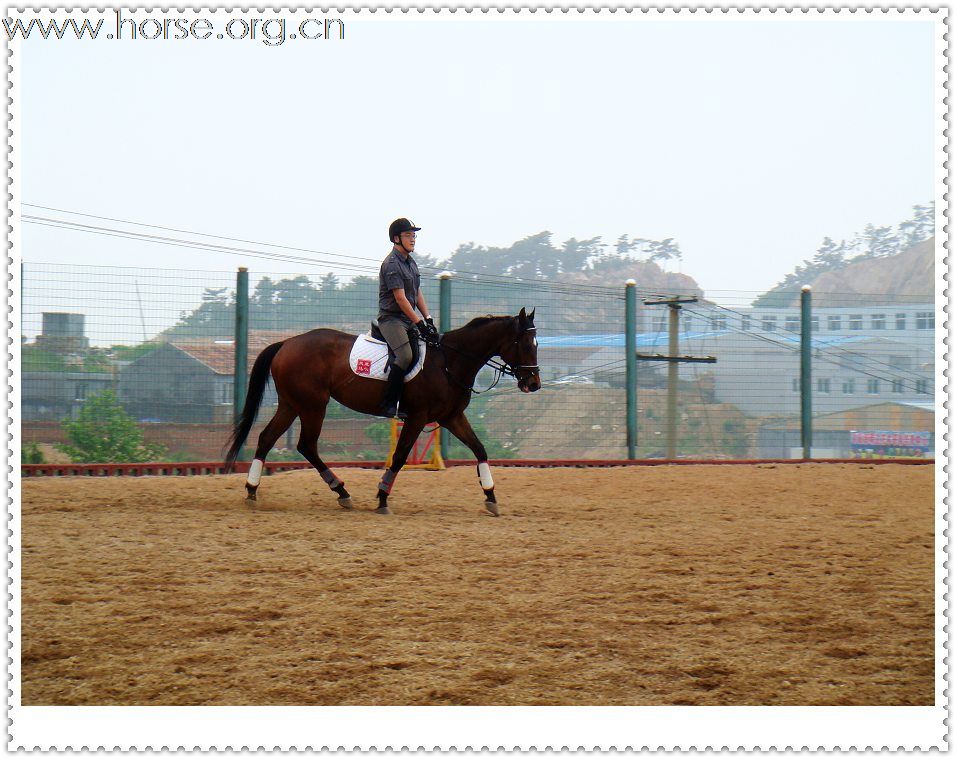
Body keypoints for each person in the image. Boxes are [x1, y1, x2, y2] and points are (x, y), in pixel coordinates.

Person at [377, 218, 439, 418]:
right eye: (408, 235)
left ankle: (408, 402)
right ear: (396, 238)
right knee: (405, 356)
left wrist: (427, 318)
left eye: (414, 235)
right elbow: (401, 299)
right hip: (391, 319)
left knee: (422, 354)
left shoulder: (410, 263)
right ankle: (389, 403)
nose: (413, 239)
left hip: (407, 319)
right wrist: (419, 323)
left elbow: (416, 292)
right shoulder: (392, 264)